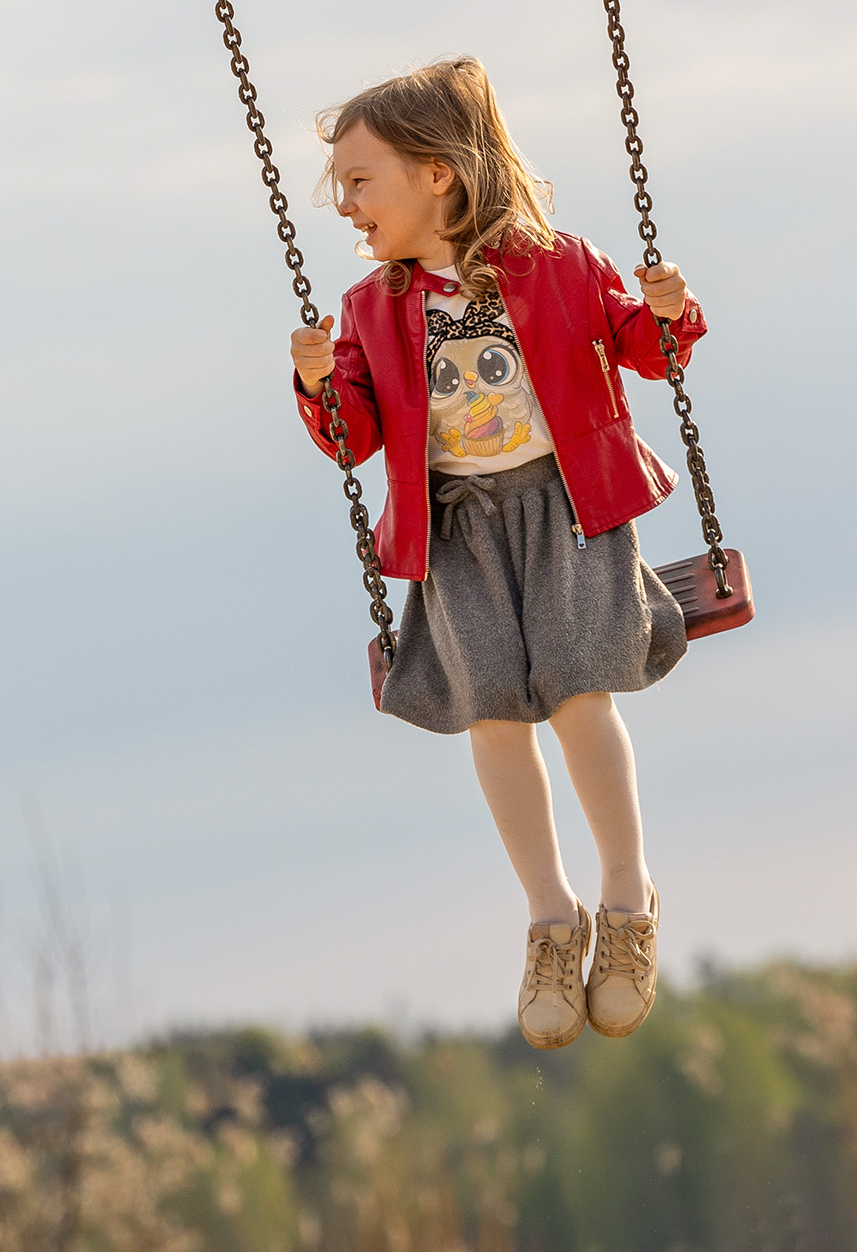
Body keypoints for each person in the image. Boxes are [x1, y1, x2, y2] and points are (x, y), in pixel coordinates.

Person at [288, 59, 703, 1050]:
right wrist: (314, 386)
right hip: (457, 529)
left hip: (564, 506)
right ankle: (550, 920)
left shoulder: (557, 263)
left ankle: (624, 899)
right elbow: (354, 432)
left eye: (359, 180)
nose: (345, 203)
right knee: (489, 713)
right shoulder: (367, 308)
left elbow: (649, 351)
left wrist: (665, 308)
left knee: (573, 692)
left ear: (436, 174)